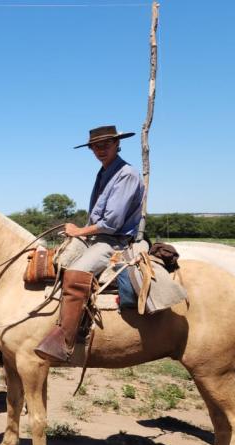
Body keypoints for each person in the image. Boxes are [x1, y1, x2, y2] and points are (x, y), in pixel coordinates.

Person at [35, 125, 145, 363]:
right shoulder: (105, 171)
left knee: (76, 272)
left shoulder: (126, 174)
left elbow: (111, 222)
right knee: (53, 261)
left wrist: (78, 231)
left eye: (106, 144)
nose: (100, 149)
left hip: (113, 241)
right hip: (96, 238)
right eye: (96, 146)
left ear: (117, 144)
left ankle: (66, 340)